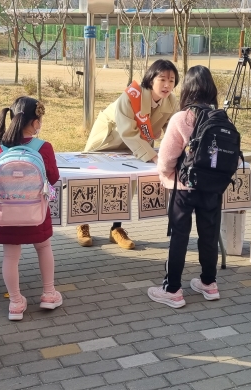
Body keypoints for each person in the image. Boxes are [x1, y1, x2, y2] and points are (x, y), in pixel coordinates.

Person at [147, 66, 225, 308]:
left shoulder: (182, 118)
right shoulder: (221, 117)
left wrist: (166, 175)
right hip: (212, 187)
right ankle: (209, 284)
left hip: (184, 187)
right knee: (209, 235)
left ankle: (172, 290)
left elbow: (167, 158)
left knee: (179, 236)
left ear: (188, 89)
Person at [80, 59, 179, 249]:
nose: (167, 85)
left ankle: (116, 228)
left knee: (127, 184)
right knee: (90, 179)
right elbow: (128, 132)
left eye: (172, 80)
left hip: (136, 146)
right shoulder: (131, 96)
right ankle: (83, 224)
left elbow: (172, 130)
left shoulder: (172, 101)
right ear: (151, 79)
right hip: (109, 138)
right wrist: (155, 157)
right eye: (162, 79)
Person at [0, 96, 62, 321]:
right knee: (44, 247)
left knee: (10, 256)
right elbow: (54, 178)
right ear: (36, 122)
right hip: (35, 212)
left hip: (6, 213)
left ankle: (16, 303)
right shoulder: (43, 147)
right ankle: (48, 293)